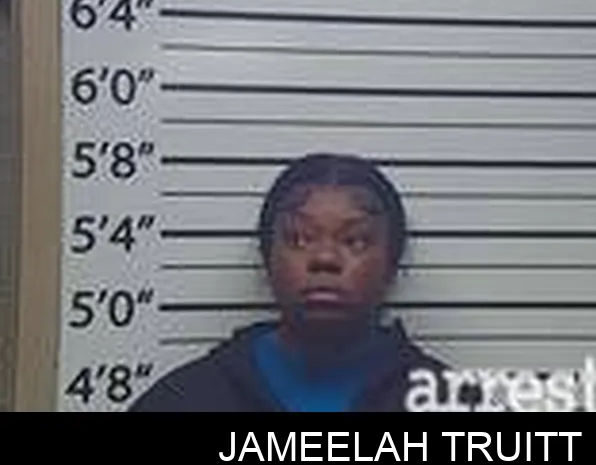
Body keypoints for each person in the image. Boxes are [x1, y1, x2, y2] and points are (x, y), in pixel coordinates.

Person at [129, 152, 452, 412]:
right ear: (267, 259)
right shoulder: (183, 401)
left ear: (392, 263)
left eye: (355, 240)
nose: (325, 258)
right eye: (299, 238)